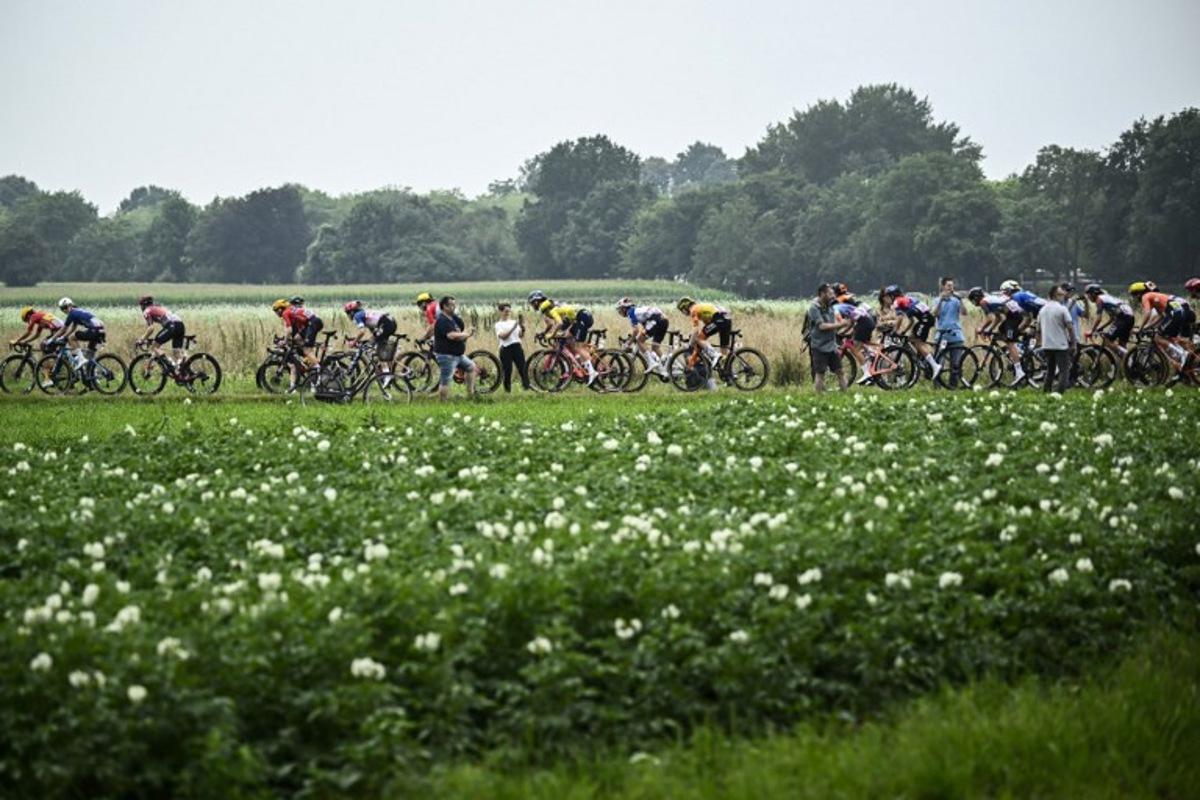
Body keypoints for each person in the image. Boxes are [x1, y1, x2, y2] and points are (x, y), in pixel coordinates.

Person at [1129, 281, 1195, 374]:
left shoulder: (1145, 296)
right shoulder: (1155, 298)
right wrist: (1146, 327)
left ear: (1139, 293)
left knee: (1158, 338)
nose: (1135, 298)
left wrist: (1140, 328)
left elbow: (1147, 314)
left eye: (1134, 295)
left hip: (1175, 313)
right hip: (1179, 312)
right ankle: (1183, 354)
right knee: (1167, 337)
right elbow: (1161, 317)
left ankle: (1182, 354)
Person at [968, 286, 1027, 386]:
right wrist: (989, 330)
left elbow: (990, 318)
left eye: (972, 301)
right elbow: (998, 318)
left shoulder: (983, 302)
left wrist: (981, 328)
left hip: (1014, 317)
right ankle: (1016, 352)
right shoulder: (989, 300)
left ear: (976, 297)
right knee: (1001, 330)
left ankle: (1019, 371)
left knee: (1009, 342)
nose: (973, 304)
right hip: (1013, 315)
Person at [883, 285, 940, 380]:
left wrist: (894, 331)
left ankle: (934, 365)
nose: (888, 299)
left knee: (917, 342)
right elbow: (912, 321)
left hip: (925, 320)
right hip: (925, 319)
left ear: (893, 296)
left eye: (889, 296)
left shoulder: (898, 301)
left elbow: (899, 318)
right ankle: (924, 360)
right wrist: (903, 331)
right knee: (910, 338)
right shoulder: (905, 300)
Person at [537, 297, 598, 386]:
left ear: (547, 310)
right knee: (568, 338)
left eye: (545, 313)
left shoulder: (553, 311)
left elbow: (559, 323)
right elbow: (564, 325)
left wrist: (551, 335)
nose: (546, 316)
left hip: (582, 317)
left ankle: (592, 372)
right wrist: (556, 334)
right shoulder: (558, 309)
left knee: (578, 347)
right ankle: (581, 361)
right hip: (580, 318)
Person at [271, 297, 324, 392]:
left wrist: (285, 341)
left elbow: (289, 330)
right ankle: (310, 360)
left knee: (307, 350)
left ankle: (317, 367)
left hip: (313, 322)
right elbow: (294, 334)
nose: (276, 314)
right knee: (297, 339)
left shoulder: (285, 313)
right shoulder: (290, 310)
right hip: (310, 323)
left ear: (280, 309)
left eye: (276, 311)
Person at [433, 295, 476, 401]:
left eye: (454, 305)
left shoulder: (453, 318)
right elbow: (451, 335)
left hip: (458, 355)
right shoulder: (442, 320)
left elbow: (459, 330)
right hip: (447, 355)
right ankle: (443, 402)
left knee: (471, 367)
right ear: (444, 307)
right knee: (446, 380)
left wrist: (465, 332)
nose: (454, 307)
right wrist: (466, 334)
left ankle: (470, 395)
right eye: (451, 305)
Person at [343, 300, 397, 384]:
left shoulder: (357, 316)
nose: (348, 316)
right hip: (389, 322)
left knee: (379, 352)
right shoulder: (363, 313)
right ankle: (387, 374)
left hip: (386, 324)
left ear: (352, 312)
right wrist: (368, 341)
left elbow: (362, 332)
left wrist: (354, 342)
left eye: (347, 313)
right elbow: (373, 331)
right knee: (375, 345)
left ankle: (387, 375)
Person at [1037, 284, 1077, 393]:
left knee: (1050, 370)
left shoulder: (1042, 310)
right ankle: (1059, 393)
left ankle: (1046, 391)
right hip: (1060, 345)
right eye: (1061, 294)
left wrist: (1038, 343)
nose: (1064, 296)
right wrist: (1073, 343)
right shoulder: (1062, 309)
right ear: (1055, 295)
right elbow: (1070, 327)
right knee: (1064, 371)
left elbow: (1038, 329)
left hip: (1047, 345)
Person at [806, 284, 847, 392]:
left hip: (832, 345)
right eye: (830, 294)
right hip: (819, 346)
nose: (833, 296)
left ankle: (846, 396)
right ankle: (818, 399)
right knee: (820, 374)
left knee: (840, 371)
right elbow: (822, 326)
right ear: (822, 294)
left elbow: (834, 324)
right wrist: (840, 325)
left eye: (833, 294)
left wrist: (846, 324)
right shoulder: (814, 308)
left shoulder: (830, 306)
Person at [616, 297, 670, 376]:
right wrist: (633, 337)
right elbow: (642, 329)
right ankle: (667, 367)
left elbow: (636, 330)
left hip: (656, 320)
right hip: (663, 320)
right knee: (655, 347)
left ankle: (652, 363)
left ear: (624, 308)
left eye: (620, 310)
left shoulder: (630, 313)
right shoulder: (638, 311)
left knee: (639, 340)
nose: (620, 312)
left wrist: (628, 344)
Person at [832, 292, 875, 384]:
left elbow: (841, 322)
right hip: (867, 321)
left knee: (854, 348)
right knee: (856, 342)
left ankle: (867, 373)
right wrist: (842, 332)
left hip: (864, 323)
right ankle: (872, 354)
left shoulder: (834, 308)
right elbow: (851, 323)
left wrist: (833, 330)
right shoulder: (845, 307)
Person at [1083, 284, 1134, 360]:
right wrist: (1100, 328)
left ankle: (1129, 354)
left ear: (1093, 293)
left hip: (1123, 317)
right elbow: (1112, 319)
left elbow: (1098, 318)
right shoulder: (1107, 297)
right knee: (1122, 344)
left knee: (1107, 341)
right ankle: (1129, 365)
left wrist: (1092, 331)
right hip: (1129, 317)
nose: (1088, 297)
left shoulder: (1099, 299)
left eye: (1088, 295)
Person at [136, 296, 186, 370]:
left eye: (141, 305)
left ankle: (170, 364)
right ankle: (183, 370)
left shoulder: (147, 311)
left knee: (154, 347)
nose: (141, 307)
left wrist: (142, 339)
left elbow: (151, 328)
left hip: (171, 325)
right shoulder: (157, 307)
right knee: (176, 352)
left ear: (143, 305)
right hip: (180, 325)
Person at [933, 277, 966, 387]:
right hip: (942, 336)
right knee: (939, 362)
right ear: (943, 286)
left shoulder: (956, 300)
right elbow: (935, 314)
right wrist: (941, 301)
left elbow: (964, 312)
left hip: (956, 335)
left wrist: (960, 300)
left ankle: (953, 386)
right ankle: (937, 386)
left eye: (952, 286)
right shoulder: (937, 300)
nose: (950, 288)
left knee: (955, 364)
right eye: (948, 286)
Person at [494, 302, 529, 392]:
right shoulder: (498, 324)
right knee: (507, 371)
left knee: (523, 368)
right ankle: (507, 391)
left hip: (517, 346)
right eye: (506, 311)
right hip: (506, 349)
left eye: (509, 311)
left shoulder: (514, 322)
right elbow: (503, 336)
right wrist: (513, 327)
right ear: (501, 312)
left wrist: (522, 328)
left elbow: (520, 336)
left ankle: (527, 388)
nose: (508, 313)